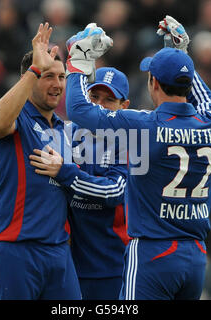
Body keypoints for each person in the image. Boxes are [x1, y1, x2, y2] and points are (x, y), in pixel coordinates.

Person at [64, 17, 211, 300]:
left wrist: (77, 60)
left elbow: (79, 110)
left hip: (154, 253)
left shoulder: (144, 125)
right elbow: (200, 96)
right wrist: (182, 56)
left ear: (153, 83)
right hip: (197, 255)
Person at [0, 23, 81, 300]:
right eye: (48, 76)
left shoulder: (65, 129)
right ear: (29, 77)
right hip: (12, 248)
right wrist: (35, 68)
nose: (57, 84)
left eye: (61, 77)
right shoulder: (16, 118)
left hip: (58, 251)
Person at [29, 67, 130, 299]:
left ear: (123, 106)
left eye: (109, 100)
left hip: (112, 265)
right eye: (94, 97)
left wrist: (65, 173)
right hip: (64, 261)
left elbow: (114, 191)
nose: (99, 106)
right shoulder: (64, 133)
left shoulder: (131, 140)